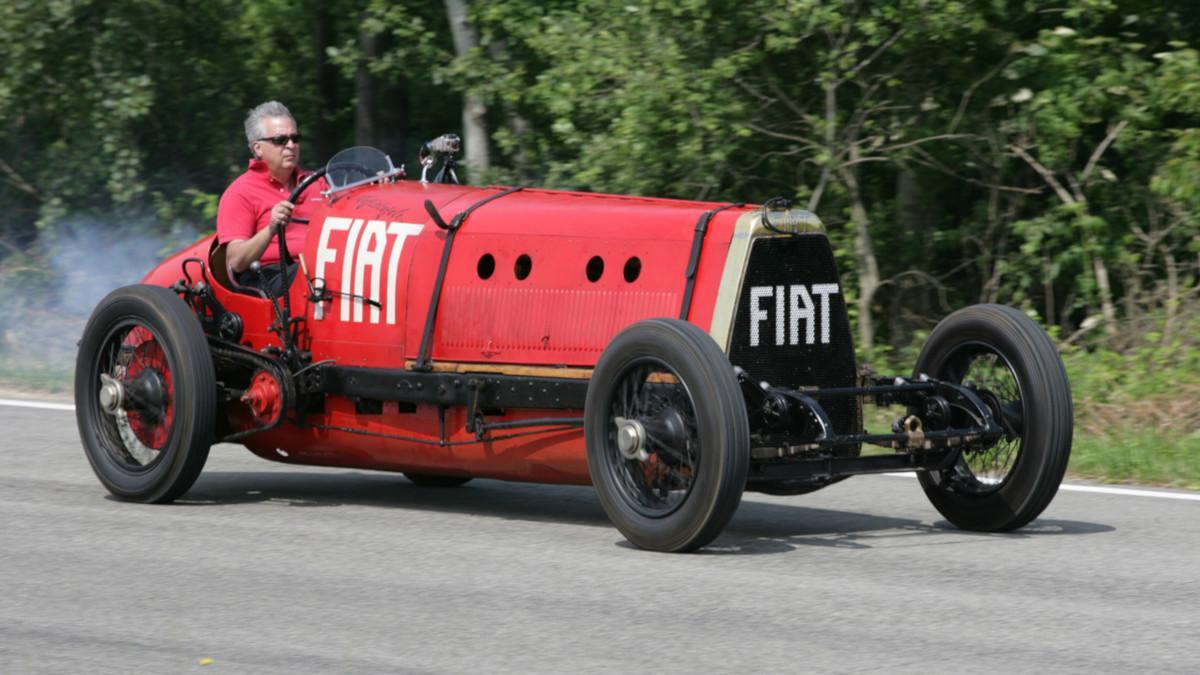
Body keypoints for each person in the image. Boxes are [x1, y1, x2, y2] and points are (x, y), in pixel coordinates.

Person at [216, 101, 326, 296]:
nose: (291, 145)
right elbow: (236, 262)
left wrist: (378, 187)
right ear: (257, 148)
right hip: (270, 275)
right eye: (280, 140)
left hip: (323, 267)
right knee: (319, 275)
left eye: (295, 138)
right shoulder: (240, 192)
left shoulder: (319, 182)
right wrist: (271, 229)